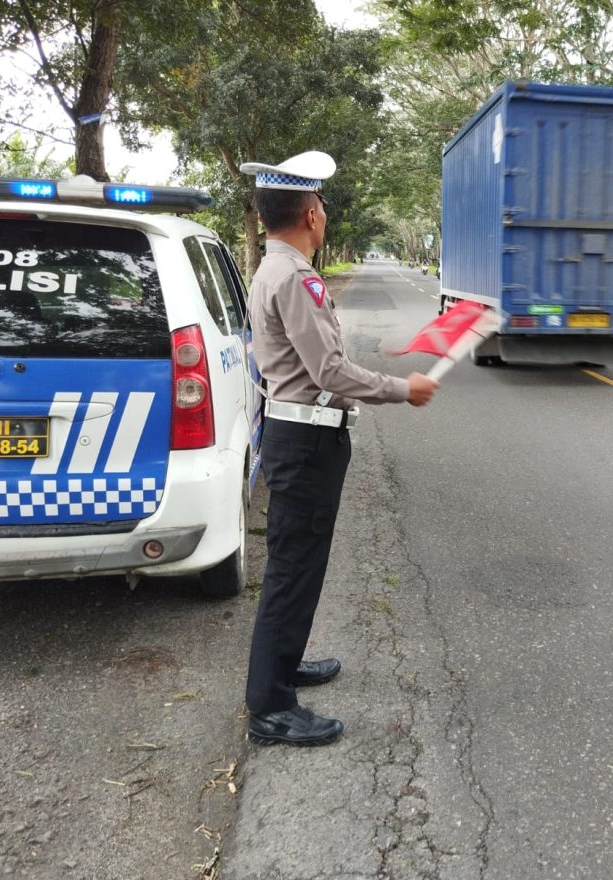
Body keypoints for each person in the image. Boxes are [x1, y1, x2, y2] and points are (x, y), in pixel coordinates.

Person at [238, 150, 439, 747]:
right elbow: (327, 369)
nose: (323, 211)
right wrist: (405, 389)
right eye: (320, 202)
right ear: (308, 213)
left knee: (300, 564)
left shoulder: (272, 269)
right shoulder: (296, 276)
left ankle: (284, 663)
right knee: (293, 567)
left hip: (298, 435)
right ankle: (270, 708)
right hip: (304, 440)